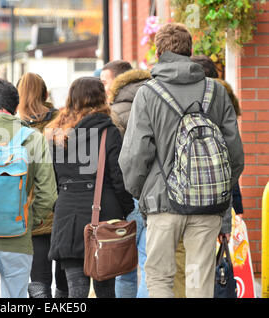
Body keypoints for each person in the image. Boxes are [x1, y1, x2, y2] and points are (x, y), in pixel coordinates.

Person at [119, 23, 244, 298]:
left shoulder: (148, 93)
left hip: (162, 203)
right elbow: (235, 154)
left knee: (160, 278)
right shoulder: (217, 92)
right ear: (190, 51)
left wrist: (142, 193)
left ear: (159, 50)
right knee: (200, 278)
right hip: (207, 205)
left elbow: (134, 155)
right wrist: (219, 190)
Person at [46, 77, 135, 298]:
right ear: (101, 98)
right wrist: (125, 208)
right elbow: (118, 177)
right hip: (104, 212)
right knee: (105, 287)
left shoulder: (58, 135)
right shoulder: (109, 132)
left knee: (76, 287)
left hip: (68, 216)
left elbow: (53, 179)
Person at [0, 78, 57, 298]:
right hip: (18, 237)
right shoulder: (34, 138)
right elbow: (48, 194)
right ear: (16, 107)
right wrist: (29, 221)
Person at [171, 54, 245, 298]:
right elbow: (232, 164)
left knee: (183, 271)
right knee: (201, 271)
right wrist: (232, 214)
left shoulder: (174, 102)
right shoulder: (222, 104)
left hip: (178, 204)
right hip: (215, 204)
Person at [16, 72, 69, 298]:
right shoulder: (64, 122)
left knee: (38, 279)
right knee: (66, 277)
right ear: (46, 94)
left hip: (33, 209)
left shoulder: (15, 129)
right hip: (65, 208)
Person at [102, 63, 151, 298]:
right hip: (155, 192)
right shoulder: (157, 101)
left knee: (125, 269)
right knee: (149, 266)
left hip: (127, 195)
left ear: (119, 81)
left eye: (104, 81)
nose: (103, 87)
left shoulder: (113, 112)